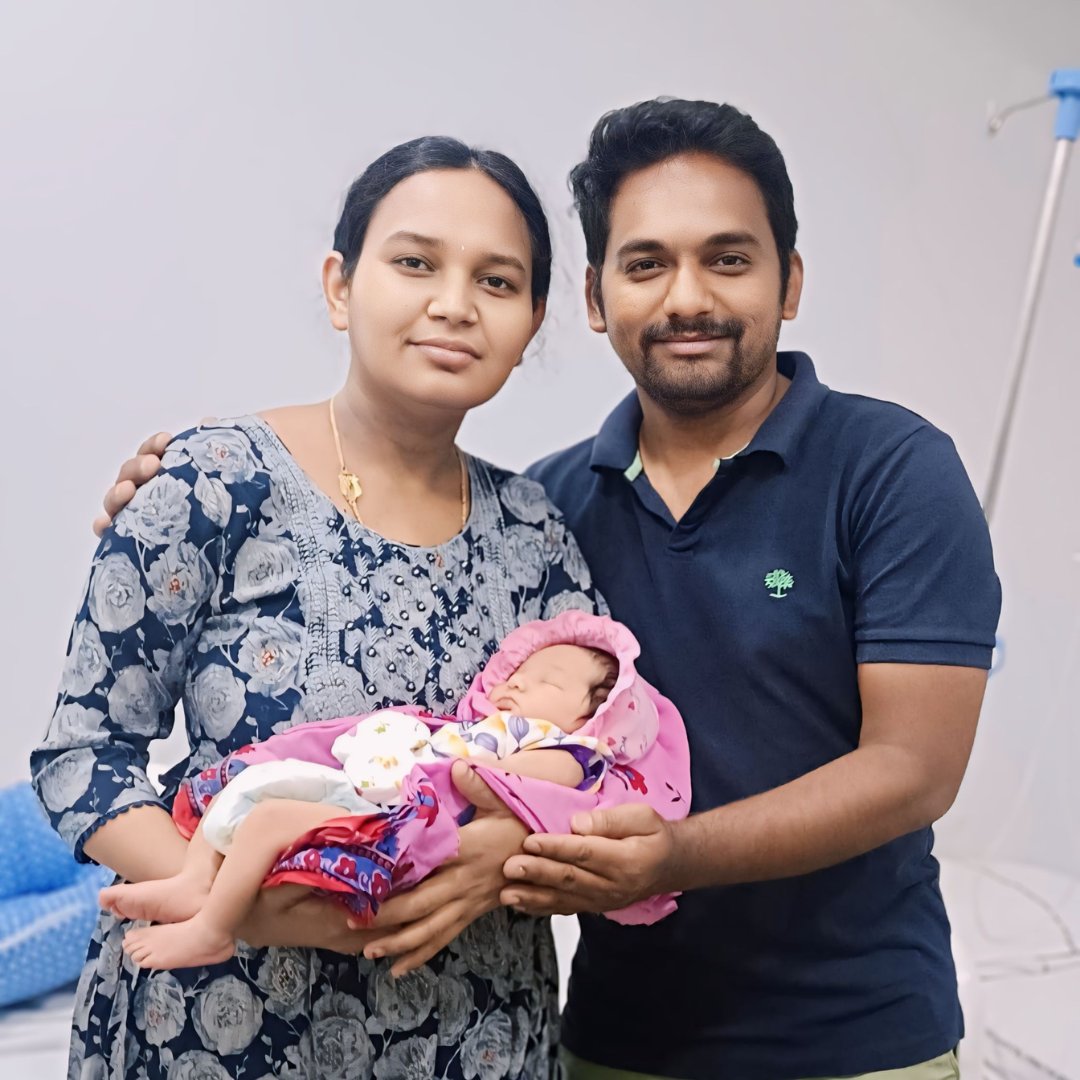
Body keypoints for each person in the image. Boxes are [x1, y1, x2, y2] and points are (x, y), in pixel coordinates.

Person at [95, 99, 1002, 1080]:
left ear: (789, 282)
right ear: (594, 298)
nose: (687, 296)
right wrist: (175, 507)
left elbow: (913, 768)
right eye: (646, 264)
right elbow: (461, 739)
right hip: (609, 1039)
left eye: (729, 259)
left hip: (856, 1037)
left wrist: (668, 854)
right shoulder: (548, 507)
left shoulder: (890, 469)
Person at [33, 135, 607, 1080]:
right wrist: (237, 898)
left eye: (497, 281)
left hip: (474, 1036)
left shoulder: (536, 531)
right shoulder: (213, 482)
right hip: (222, 1026)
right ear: (342, 286)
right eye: (415, 262)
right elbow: (82, 756)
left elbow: (603, 762)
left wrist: (506, 847)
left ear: (532, 320)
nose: (454, 303)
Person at [100, 615, 685, 972]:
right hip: (375, 789)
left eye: (547, 683)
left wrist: (478, 764)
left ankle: (213, 928)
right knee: (252, 782)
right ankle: (194, 878)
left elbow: (505, 783)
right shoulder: (485, 725)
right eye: (517, 675)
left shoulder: (575, 754)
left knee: (269, 820)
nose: (518, 685)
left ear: (596, 716)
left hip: (402, 820)